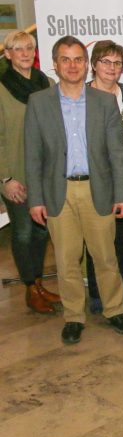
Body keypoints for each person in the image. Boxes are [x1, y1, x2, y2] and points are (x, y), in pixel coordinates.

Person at [25, 35, 123, 343]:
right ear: (55, 64)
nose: (73, 65)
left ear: (86, 65)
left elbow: (117, 152)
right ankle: (73, 316)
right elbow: (32, 154)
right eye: (66, 59)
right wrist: (35, 199)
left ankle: (114, 310)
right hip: (57, 192)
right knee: (66, 260)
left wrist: (122, 194)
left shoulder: (104, 101)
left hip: (97, 190)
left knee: (105, 257)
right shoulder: (39, 102)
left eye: (78, 59)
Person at [0, 30, 60, 314]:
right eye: (18, 48)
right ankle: (29, 288)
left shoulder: (46, 83)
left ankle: (38, 283)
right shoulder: (0, 88)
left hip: (45, 175)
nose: (24, 53)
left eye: (29, 48)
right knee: (23, 232)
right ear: (8, 54)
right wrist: (5, 178)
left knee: (40, 232)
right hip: (16, 176)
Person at [84, 40, 123, 313]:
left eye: (117, 63)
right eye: (106, 61)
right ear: (94, 64)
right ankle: (96, 293)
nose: (111, 67)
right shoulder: (80, 97)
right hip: (92, 181)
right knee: (96, 241)